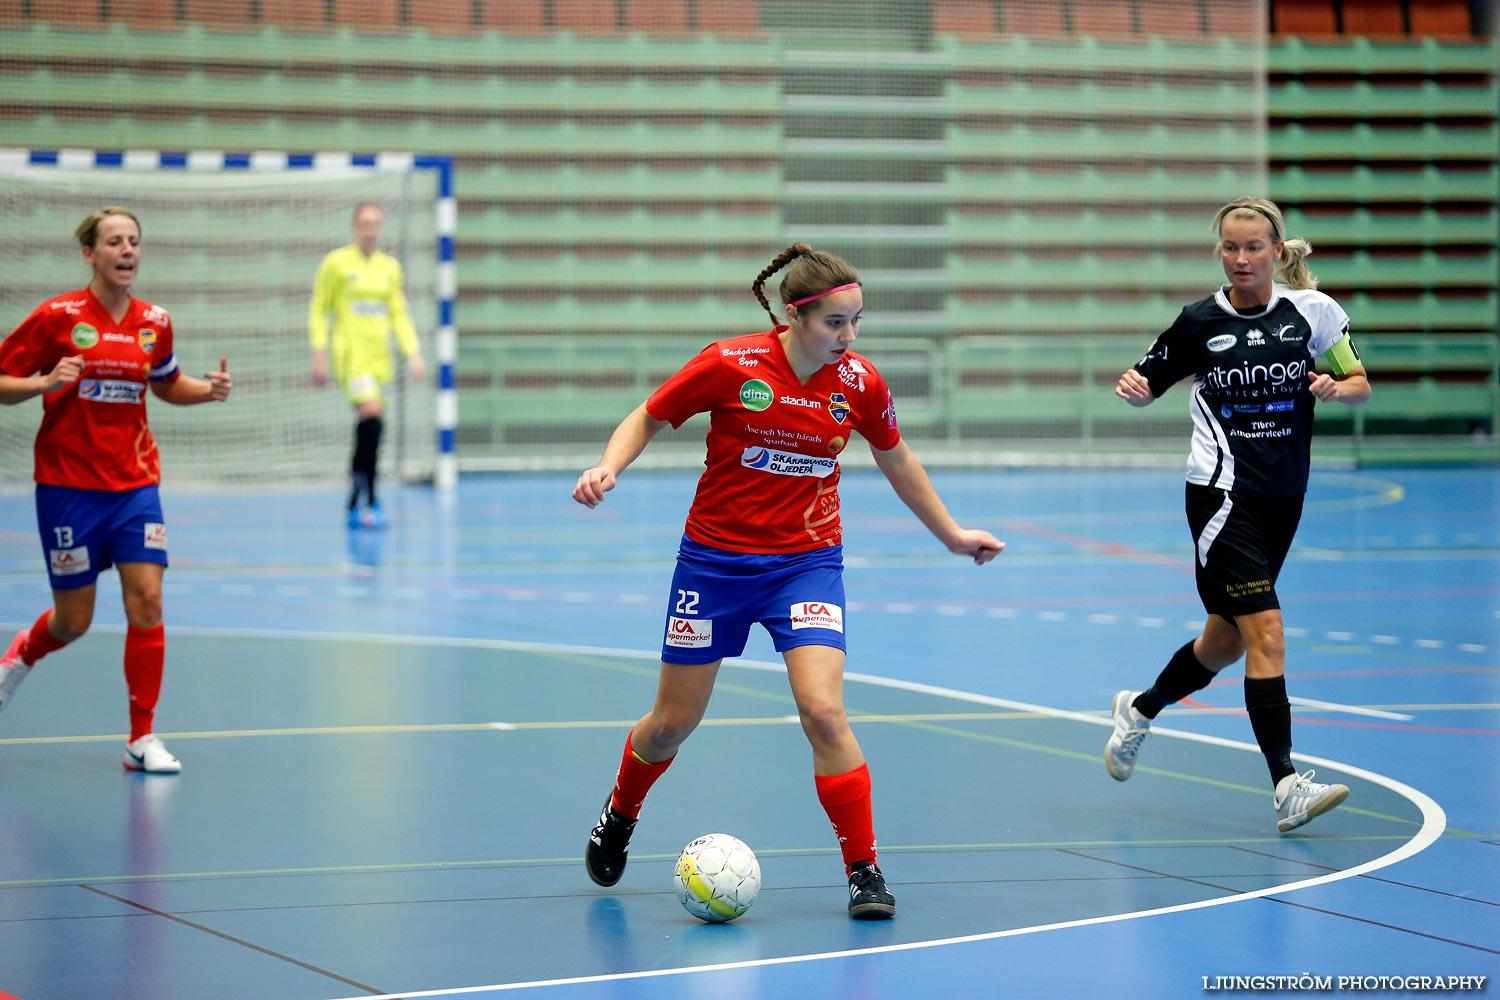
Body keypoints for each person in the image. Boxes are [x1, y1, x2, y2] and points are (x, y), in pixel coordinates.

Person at [572, 242, 1005, 918]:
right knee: (670, 725)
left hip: (806, 566)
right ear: (794, 316)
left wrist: (951, 534)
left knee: (825, 712)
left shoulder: (859, 384)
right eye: (836, 322)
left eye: (857, 320)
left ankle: (864, 871)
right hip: (714, 566)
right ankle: (620, 812)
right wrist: (609, 466)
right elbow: (651, 414)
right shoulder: (730, 364)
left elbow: (896, 458)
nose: (850, 336)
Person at [1105, 196, 1371, 832]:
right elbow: (1147, 380)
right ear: (1220, 252)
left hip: (1285, 497)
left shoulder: (1315, 314)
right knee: (1268, 632)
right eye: (1230, 247)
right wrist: (1136, 390)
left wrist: (1337, 386)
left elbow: (1357, 378)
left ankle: (1139, 710)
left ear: (1277, 253)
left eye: (1254, 247)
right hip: (1223, 497)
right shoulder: (1198, 323)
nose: (1242, 258)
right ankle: (1287, 785)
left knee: (1225, 640)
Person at [0, 206, 234, 773]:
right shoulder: (56, 316)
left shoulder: (155, 320)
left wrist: (209, 390)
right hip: (67, 488)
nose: (127, 251)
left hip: (134, 484)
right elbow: (2, 383)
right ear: (90, 254)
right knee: (73, 621)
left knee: (148, 601)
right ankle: (16, 660)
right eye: (114, 242)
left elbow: (167, 382)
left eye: (134, 241)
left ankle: (141, 737)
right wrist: (42, 382)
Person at [309, 202, 425, 530]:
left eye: (376, 223)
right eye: (365, 222)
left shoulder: (390, 268)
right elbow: (320, 308)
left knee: (371, 428)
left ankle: (356, 497)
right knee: (372, 416)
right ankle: (371, 499)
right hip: (351, 358)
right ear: (355, 226)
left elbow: (399, 314)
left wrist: (412, 352)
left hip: (379, 362)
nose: (371, 228)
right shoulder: (337, 264)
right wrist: (319, 352)